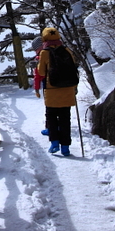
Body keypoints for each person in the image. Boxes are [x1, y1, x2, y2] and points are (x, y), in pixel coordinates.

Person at [35, 27, 77, 156]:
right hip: (67, 90)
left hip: (52, 91)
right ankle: (65, 147)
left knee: (52, 118)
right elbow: (74, 69)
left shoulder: (45, 52)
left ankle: (54, 143)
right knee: (65, 119)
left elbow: (41, 72)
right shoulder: (67, 50)